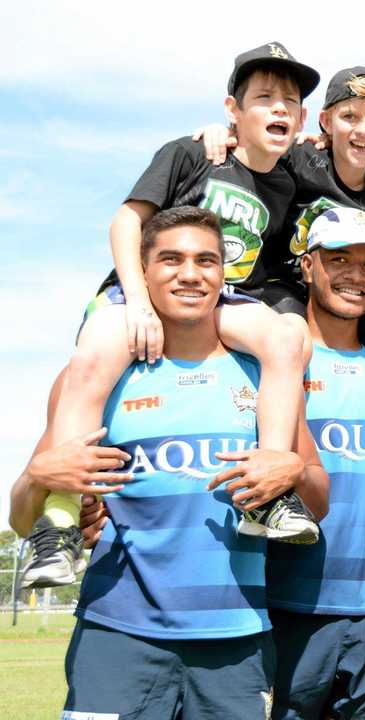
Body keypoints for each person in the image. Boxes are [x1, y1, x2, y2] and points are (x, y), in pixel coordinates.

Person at [21, 42, 322, 588]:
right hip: (142, 291)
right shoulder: (191, 153)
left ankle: (269, 496)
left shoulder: (286, 182)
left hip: (217, 299)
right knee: (94, 352)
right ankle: (60, 521)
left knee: (287, 340)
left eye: (290, 102)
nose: (278, 108)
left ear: (302, 117)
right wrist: (137, 300)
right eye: (263, 99)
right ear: (233, 110)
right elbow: (124, 223)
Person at [14, 206, 328, 719]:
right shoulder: (99, 371)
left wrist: (290, 469)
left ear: (222, 273)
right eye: (171, 259)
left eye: (206, 260)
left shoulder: (263, 372)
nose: (190, 273)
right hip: (117, 633)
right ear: (142, 271)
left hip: (236, 639)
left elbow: (318, 499)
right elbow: (23, 516)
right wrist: (34, 477)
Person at [196, 66, 365, 387]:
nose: (362, 130)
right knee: (295, 345)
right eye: (349, 117)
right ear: (325, 121)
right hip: (283, 286)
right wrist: (224, 131)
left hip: (347, 297)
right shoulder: (298, 158)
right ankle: (289, 435)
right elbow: (247, 152)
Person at [265, 207, 365, 719]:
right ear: (307, 266)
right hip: (287, 608)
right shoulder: (272, 365)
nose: (356, 274)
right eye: (339, 259)